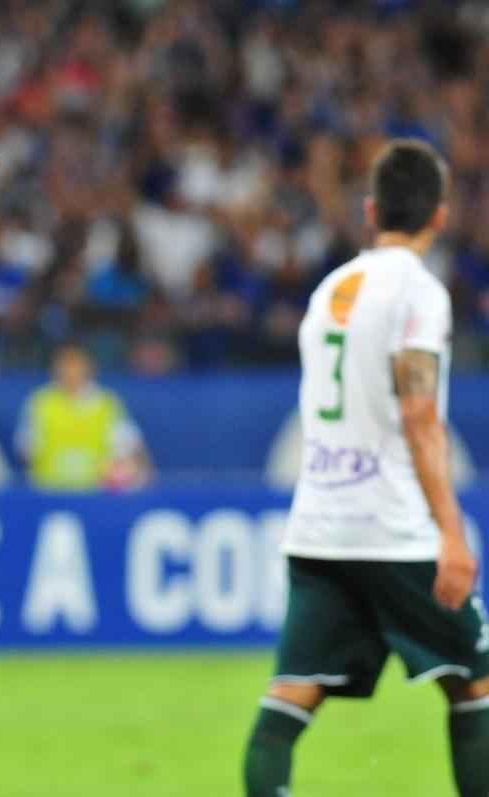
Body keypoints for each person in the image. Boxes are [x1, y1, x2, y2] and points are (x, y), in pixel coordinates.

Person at [243, 139, 489, 796]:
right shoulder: (419, 292)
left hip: (320, 525)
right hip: (394, 526)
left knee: (291, 697)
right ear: (440, 216)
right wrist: (453, 533)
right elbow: (418, 415)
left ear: (372, 210)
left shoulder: (331, 288)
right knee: (476, 678)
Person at [15, 343, 152, 491]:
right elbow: (26, 450)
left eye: (76, 366)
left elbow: (132, 447)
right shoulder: (40, 402)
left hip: (96, 492)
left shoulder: (107, 403)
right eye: (65, 365)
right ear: (54, 369)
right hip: (49, 490)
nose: (70, 372)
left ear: (89, 368)